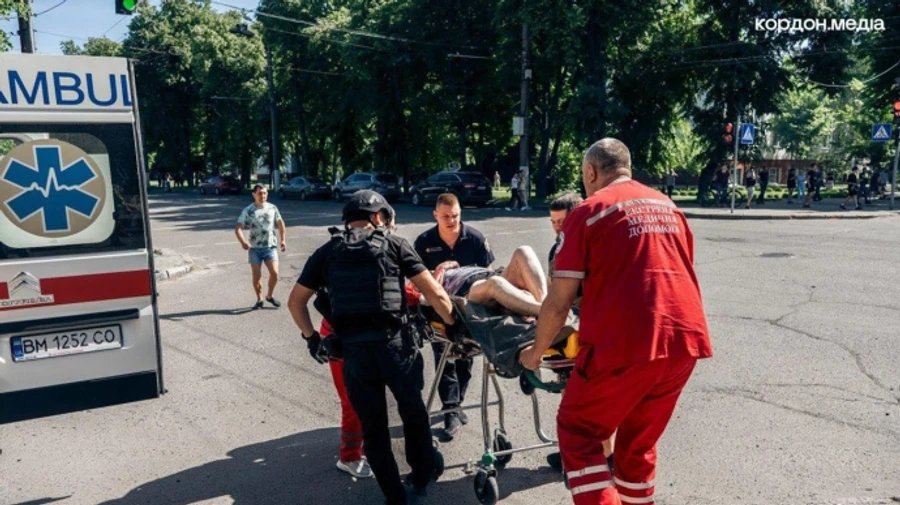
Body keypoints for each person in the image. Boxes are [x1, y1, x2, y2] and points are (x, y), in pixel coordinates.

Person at [519, 138, 713, 505]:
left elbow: (559, 302)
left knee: (579, 432)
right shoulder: (668, 206)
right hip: (683, 342)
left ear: (591, 172)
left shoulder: (589, 211)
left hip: (626, 343)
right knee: (637, 448)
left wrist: (535, 352)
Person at [287, 190, 455, 505]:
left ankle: (394, 496)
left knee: (373, 427)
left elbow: (295, 302)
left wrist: (312, 339)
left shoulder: (327, 252)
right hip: (396, 348)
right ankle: (419, 480)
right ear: (378, 218)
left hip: (354, 354)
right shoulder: (394, 245)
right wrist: (452, 325)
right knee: (413, 415)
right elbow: (436, 295)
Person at [414, 193, 494, 439]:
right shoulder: (425, 241)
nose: (451, 221)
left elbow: (489, 273)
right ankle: (450, 410)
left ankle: (457, 403)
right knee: (444, 357)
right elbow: (415, 277)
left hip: (469, 310)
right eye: (446, 216)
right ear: (435, 215)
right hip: (439, 310)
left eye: (456, 215)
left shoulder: (476, 239)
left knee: (466, 359)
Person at [413, 245, 547, 317]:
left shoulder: (443, 270)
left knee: (523, 251)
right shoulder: (426, 284)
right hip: (469, 294)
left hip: (491, 275)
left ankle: (547, 306)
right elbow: (427, 299)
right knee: (495, 283)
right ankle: (544, 312)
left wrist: (448, 265)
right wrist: (433, 284)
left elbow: (456, 264)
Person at [235, 185, 287, 309]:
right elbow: (238, 229)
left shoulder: (272, 208)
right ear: (254, 194)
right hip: (255, 249)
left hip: (270, 247)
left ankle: (269, 296)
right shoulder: (248, 210)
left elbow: (280, 223)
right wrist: (243, 242)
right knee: (257, 277)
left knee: (275, 274)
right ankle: (259, 299)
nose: (262, 196)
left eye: (264, 193)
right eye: (259, 193)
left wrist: (283, 239)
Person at [548, 192, 583, 282]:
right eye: (553, 222)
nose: (556, 227)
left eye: (561, 221)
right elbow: (551, 284)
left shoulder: (586, 249)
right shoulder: (555, 250)